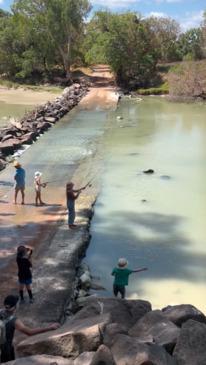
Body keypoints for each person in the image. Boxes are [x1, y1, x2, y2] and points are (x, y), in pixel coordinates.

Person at [0, 295, 59, 363]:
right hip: (6, 349)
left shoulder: (0, 311)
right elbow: (29, 332)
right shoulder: (14, 321)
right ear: (15, 307)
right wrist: (50, 328)